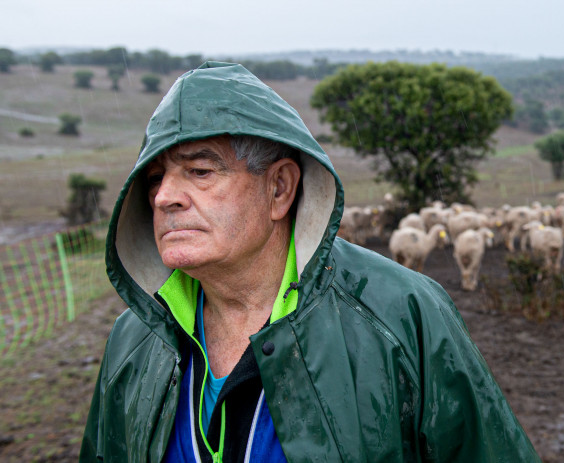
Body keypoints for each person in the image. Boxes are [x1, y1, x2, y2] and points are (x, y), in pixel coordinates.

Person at [80, 61, 540, 462]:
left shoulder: (402, 316)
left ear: (279, 188)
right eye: (156, 177)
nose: (163, 197)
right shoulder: (135, 340)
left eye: (200, 171)